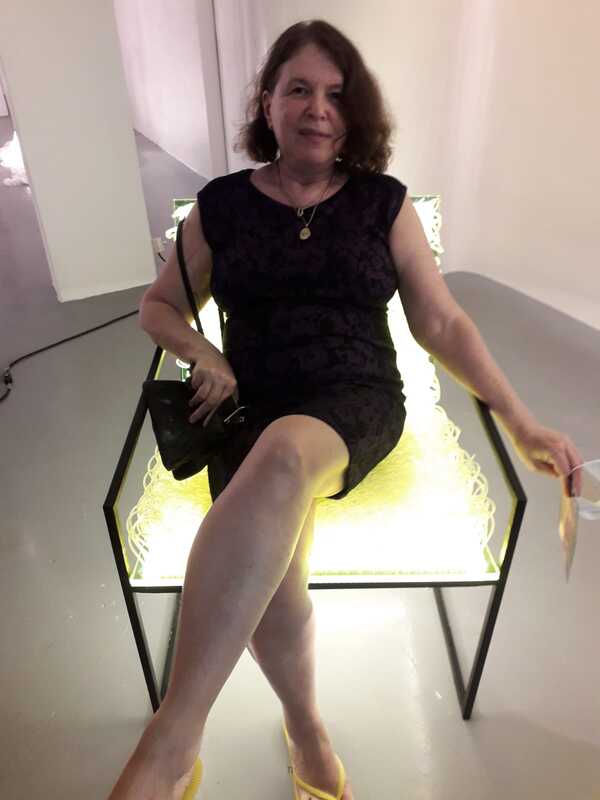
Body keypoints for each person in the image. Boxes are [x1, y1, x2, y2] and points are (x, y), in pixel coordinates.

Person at [108, 18, 583, 800]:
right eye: (299, 89)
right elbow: (158, 306)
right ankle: (305, 727)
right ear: (268, 102)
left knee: (287, 455)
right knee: (275, 571)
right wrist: (206, 354)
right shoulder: (221, 208)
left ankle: (170, 744)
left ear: (355, 111)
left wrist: (519, 419)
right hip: (248, 408)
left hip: (354, 400)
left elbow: (441, 323)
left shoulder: (380, 204)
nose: (318, 108)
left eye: (336, 93)